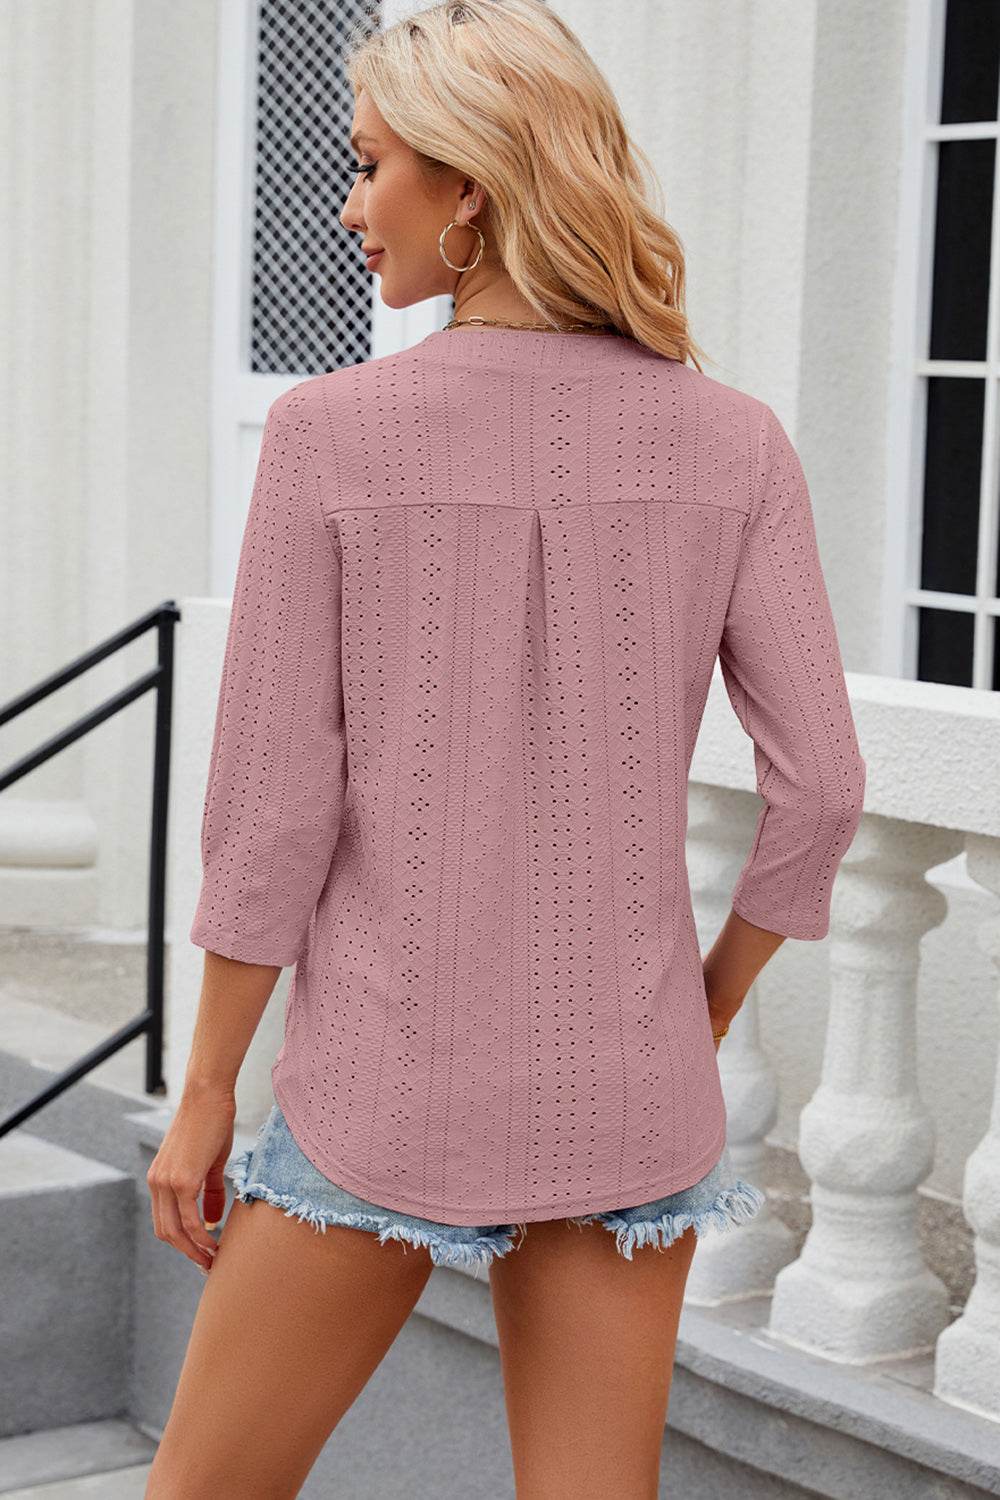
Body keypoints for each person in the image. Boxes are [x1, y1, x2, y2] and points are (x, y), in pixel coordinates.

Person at [144, 2, 866, 1495]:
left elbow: (273, 810)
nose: (351, 206)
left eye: (370, 165)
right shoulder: (736, 441)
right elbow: (823, 793)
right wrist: (702, 1006)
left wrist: (206, 1088)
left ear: (467, 185)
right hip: (628, 1086)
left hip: (381, 1081)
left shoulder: (329, 433)